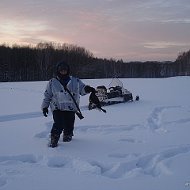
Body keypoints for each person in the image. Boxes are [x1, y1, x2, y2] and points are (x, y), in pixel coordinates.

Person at [41, 61, 95, 148]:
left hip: (71, 108)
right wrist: (44, 107)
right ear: (58, 71)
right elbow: (47, 95)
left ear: (68, 70)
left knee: (69, 124)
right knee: (58, 124)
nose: (63, 72)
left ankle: (68, 137)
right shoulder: (52, 82)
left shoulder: (75, 81)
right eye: (61, 70)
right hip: (57, 108)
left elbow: (82, 90)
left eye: (65, 70)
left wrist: (87, 89)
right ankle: (54, 139)